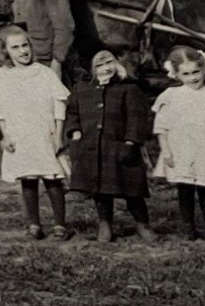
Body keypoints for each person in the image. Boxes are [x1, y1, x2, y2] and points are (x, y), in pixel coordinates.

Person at [0, 24, 72, 241]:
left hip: (44, 133)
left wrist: (58, 135)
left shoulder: (44, 73)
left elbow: (60, 105)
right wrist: (5, 135)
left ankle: (60, 224)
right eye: (15, 48)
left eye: (25, 45)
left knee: (52, 178)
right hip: (19, 134)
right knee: (27, 178)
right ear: (5, 51)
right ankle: (34, 225)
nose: (23, 51)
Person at [65, 50, 154, 243]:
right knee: (101, 190)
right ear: (92, 70)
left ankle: (142, 224)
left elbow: (137, 118)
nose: (106, 68)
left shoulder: (128, 88)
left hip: (121, 146)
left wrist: (131, 141)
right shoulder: (82, 88)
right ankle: (105, 224)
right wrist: (75, 131)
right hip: (94, 148)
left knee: (132, 190)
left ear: (117, 64)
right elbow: (72, 112)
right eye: (99, 65)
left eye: (109, 62)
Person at [152, 47, 205, 240]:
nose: (192, 78)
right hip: (180, 150)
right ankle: (188, 229)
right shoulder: (170, 95)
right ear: (177, 75)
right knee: (185, 190)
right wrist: (166, 152)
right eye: (186, 74)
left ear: (204, 69)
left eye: (195, 72)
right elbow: (161, 127)